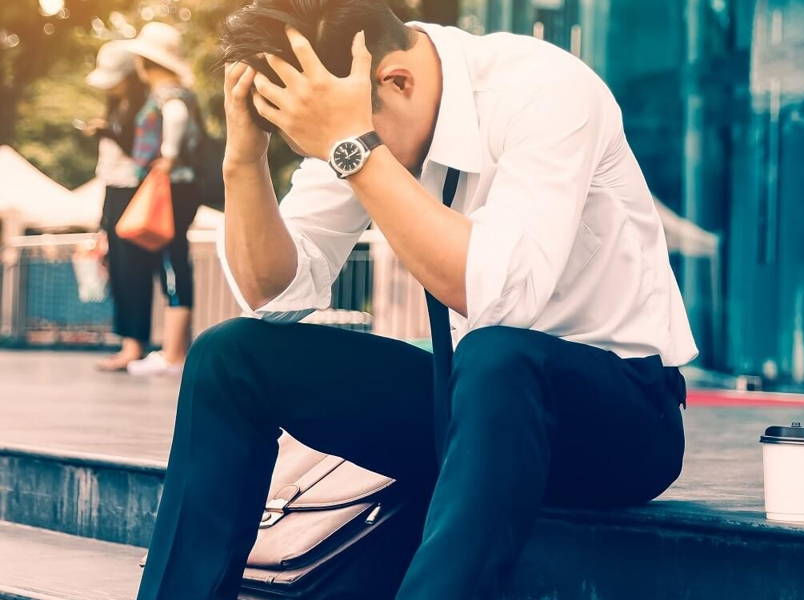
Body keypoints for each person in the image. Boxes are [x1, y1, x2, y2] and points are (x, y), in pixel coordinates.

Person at [135, 1, 696, 599]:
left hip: (622, 420)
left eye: (332, 145)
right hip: (467, 413)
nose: (331, 160)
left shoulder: (544, 89)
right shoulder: (358, 109)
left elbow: (502, 295)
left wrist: (354, 148)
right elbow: (273, 292)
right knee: (231, 356)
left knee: (496, 355)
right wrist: (243, 160)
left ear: (395, 80)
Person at [119, 22, 204, 376]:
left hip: (173, 186)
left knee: (173, 262)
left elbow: (176, 117)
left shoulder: (168, 94)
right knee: (175, 261)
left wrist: (167, 154)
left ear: (144, 62)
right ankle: (174, 351)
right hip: (183, 187)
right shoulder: (180, 91)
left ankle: (173, 354)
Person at [84, 40, 151, 372]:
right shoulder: (116, 105)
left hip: (134, 191)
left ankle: (135, 345)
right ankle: (126, 342)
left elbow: (143, 152)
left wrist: (109, 131)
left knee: (134, 269)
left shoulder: (145, 107)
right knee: (118, 269)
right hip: (112, 190)